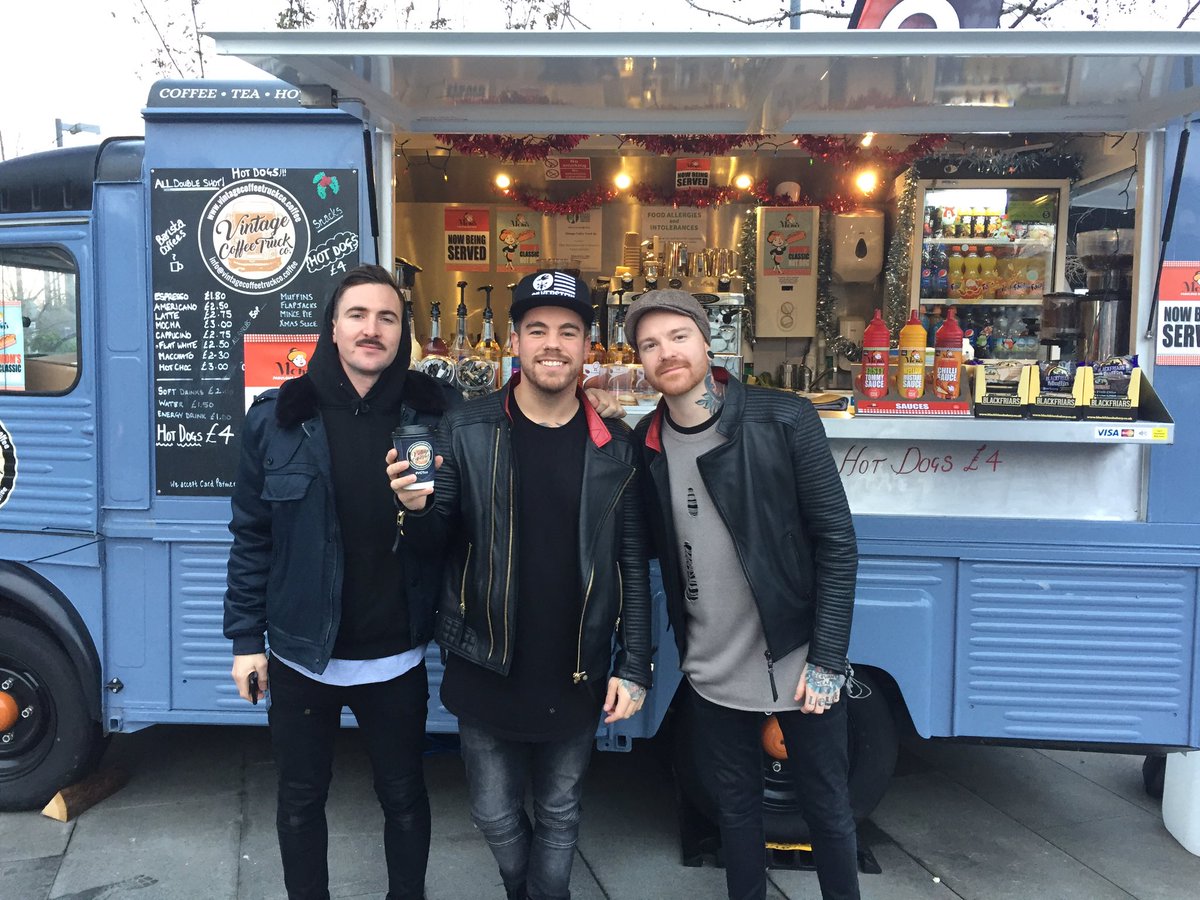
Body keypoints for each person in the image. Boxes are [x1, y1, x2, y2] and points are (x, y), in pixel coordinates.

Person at [390, 269, 652, 900]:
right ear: (514, 340)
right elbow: (432, 544)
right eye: (537, 329)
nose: (552, 344)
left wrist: (635, 664)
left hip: (576, 666)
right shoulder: (466, 428)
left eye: (568, 330)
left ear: (587, 346)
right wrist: (416, 511)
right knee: (492, 812)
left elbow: (631, 564)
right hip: (485, 661)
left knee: (560, 814)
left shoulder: (615, 445)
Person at [223, 264, 460, 900]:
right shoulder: (278, 417)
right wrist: (245, 639)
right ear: (333, 326)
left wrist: (422, 512)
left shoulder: (439, 415)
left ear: (403, 331)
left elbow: (456, 537)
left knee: (404, 797)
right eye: (357, 315)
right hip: (302, 654)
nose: (371, 329)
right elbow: (251, 535)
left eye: (387, 317)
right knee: (300, 801)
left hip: (396, 654)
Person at [625, 289, 860, 900]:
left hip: (800, 661)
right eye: (649, 345)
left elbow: (837, 542)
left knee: (829, 811)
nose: (666, 353)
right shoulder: (646, 443)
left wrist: (828, 657)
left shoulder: (784, 418)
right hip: (712, 669)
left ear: (709, 344)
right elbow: (639, 554)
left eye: (679, 336)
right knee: (735, 815)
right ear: (639, 362)